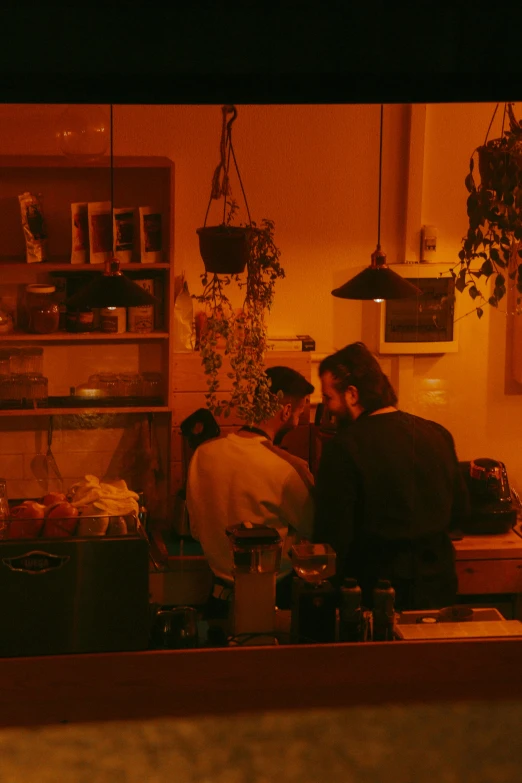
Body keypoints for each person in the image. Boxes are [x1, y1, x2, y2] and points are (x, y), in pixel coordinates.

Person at [313, 342, 469, 612]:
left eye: (328, 398)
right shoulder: (437, 433)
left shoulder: (343, 448)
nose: (326, 409)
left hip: (375, 595)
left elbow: (334, 537)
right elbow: (460, 514)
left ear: (352, 394)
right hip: (438, 586)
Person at [186, 366, 315, 610]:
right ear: (286, 411)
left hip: (217, 599)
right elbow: (314, 528)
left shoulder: (202, 454)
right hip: (271, 601)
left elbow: (195, 530)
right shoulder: (285, 470)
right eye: (300, 412)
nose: (299, 421)